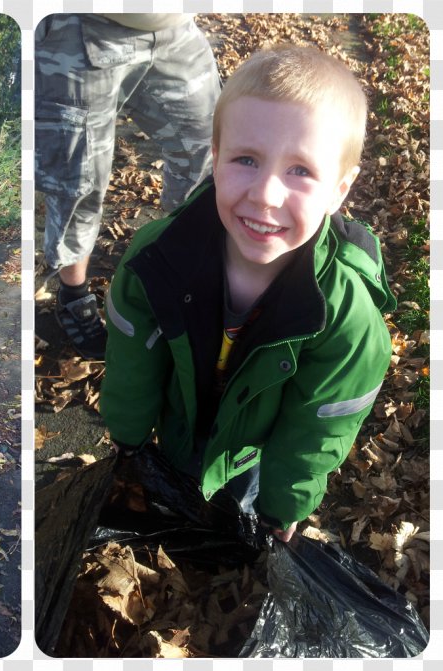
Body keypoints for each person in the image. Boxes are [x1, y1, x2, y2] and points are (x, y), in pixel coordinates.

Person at [100, 44, 396, 542]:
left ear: (340, 189)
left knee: (238, 514)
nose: (265, 194)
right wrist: (129, 439)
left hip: (255, 449)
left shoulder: (346, 317)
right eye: (246, 159)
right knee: (174, 495)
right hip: (178, 422)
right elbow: (131, 353)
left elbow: (318, 425)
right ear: (215, 160)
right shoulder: (157, 259)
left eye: (300, 171)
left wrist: (285, 506)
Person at [35, 13, 221, 358]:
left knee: (212, 152)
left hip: (173, 26)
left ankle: (185, 270)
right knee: (79, 181)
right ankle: (74, 297)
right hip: (81, 29)